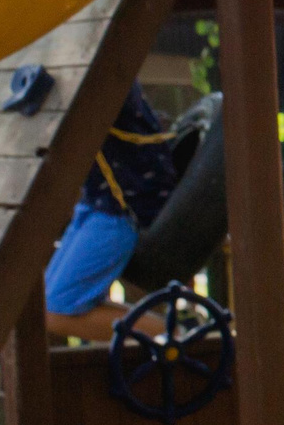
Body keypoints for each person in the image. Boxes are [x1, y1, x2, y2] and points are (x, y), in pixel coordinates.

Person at [43, 85, 183, 341]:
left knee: (56, 311)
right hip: (97, 199)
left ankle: (176, 339)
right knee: (47, 304)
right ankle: (170, 335)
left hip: (124, 205)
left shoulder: (102, 75)